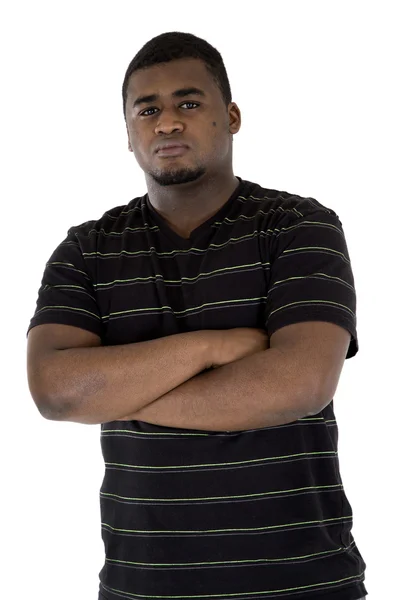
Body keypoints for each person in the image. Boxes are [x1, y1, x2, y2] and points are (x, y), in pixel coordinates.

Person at [26, 31, 368, 600]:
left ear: (230, 116)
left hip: (304, 582)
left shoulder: (299, 227)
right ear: (129, 132)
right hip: (145, 586)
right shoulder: (86, 250)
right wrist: (210, 349)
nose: (167, 123)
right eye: (148, 109)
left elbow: (301, 382)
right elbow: (56, 394)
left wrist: (112, 390)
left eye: (189, 103)